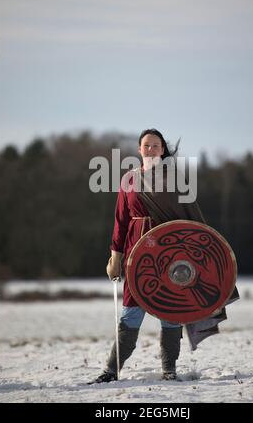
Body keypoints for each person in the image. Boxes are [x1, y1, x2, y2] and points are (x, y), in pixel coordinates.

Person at [93, 129, 184, 383]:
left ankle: (169, 369)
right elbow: (120, 221)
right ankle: (111, 370)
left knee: (170, 311)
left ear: (163, 150)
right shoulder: (128, 180)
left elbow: (185, 221)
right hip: (136, 255)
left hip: (167, 256)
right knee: (130, 313)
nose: (151, 149)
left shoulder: (173, 180)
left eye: (156, 145)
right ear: (139, 149)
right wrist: (116, 257)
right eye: (147, 145)